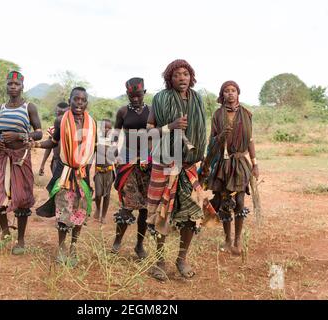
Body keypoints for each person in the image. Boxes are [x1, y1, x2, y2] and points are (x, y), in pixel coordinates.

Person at [146, 59, 207, 280]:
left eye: (185, 74)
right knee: (161, 213)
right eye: (176, 75)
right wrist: (170, 126)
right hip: (165, 163)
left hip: (189, 165)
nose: (182, 78)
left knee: (191, 213)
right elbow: (149, 131)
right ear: (169, 78)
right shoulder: (160, 99)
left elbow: (201, 130)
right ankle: (160, 260)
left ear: (191, 77)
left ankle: (181, 258)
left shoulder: (198, 99)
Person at [33, 87, 96, 267]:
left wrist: (89, 175)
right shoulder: (61, 120)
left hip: (82, 175)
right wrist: (35, 144)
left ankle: (74, 247)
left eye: (83, 100)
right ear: (69, 100)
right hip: (64, 173)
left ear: (86, 103)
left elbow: (92, 149)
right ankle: (61, 247)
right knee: (62, 211)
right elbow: (52, 143)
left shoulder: (92, 123)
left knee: (79, 212)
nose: (79, 103)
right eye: (76, 99)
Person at [0, 71, 42, 255]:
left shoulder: (29, 107)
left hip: (20, 157)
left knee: (21, 197)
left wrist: (20, 135)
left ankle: (21, 241)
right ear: (6, 86)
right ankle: (4, 235)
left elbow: (39, 133)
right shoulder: (0, 108)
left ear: (22, 86)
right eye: (10, 84)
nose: (13, 87)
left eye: (16, 84)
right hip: (2, 155)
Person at [204, 81, 259, 256]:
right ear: (222, 94)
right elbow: (212, 142)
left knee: (240, 202)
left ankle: (238, 240)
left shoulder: (246, 114)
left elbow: (250, 140)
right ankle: (227, 240)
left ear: (238, 93)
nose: (230, 94)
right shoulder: (217, 115)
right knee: (225, 202)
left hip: (241, 163)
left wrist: (255, 163)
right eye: (226, 91)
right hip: (223, 164)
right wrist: (221, 137)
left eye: (233, 90)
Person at [111, 78, 151, 260]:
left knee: (145, 208)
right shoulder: (122, 111)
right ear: (127, 94)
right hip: (127, 160)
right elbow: (116, 132)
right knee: (127, 205)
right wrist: (113, 150)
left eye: (138, 95)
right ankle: (117, 241)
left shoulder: (151, 111)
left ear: (144, 92)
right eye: (131, 95)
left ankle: (139, 245)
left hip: (147, 163)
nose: (135, 98)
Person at [93, 119, 115, 224]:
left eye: (109, 128)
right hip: (98, 171)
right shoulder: (96, 141)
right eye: (104, 128)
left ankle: (104, 216)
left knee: (107, 195)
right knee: (98, 194)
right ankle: (98, 208)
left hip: (109, 171)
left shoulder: (113, 141)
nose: (106, 130)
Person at [39, 102, 69, 176]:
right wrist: (42, 164)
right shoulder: (52, 129)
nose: (61, 117)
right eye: (59, 113)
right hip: (56, 162)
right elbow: (49, 147)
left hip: (69, 164)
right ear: (56, 113)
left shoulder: (72, 130)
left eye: (64, 114)